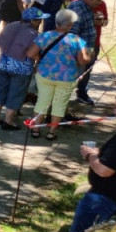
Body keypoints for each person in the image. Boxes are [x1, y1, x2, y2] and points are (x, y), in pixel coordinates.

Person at [27, 8, 91, 140]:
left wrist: (39, 59)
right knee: (59, 104)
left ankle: (35, 129)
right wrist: (89, 56)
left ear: (57, 22)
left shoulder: (45, 36)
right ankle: (51, 132)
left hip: (45, 75)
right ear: (70, 24)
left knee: (42, 102)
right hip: (67, 78)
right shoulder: (76, 40)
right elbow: (82, 60)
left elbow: (30, 53)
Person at [0, 7, 44, 130]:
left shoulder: (10, 26)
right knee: (16, 93)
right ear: (33, 21)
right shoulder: (34, 34)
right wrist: (38, 59)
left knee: (1, 89)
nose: (40, 22)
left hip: (3, 64)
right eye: (39, 20)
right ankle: (8, 121)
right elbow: (30, 54)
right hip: (21, 68)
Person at [72, 99, 116, 232]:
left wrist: (90, 155)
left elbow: (104, 171)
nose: (115, 112)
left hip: (103, 199)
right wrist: (100, 155)